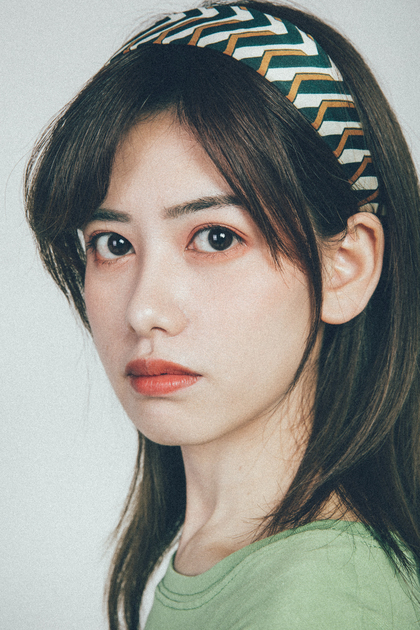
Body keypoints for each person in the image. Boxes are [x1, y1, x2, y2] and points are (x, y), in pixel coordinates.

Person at [25, 1, 420, 628]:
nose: (144, 310)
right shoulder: (228, 558)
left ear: (345, 265)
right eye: (114, 244)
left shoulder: (322, 601)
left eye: (215, 238)